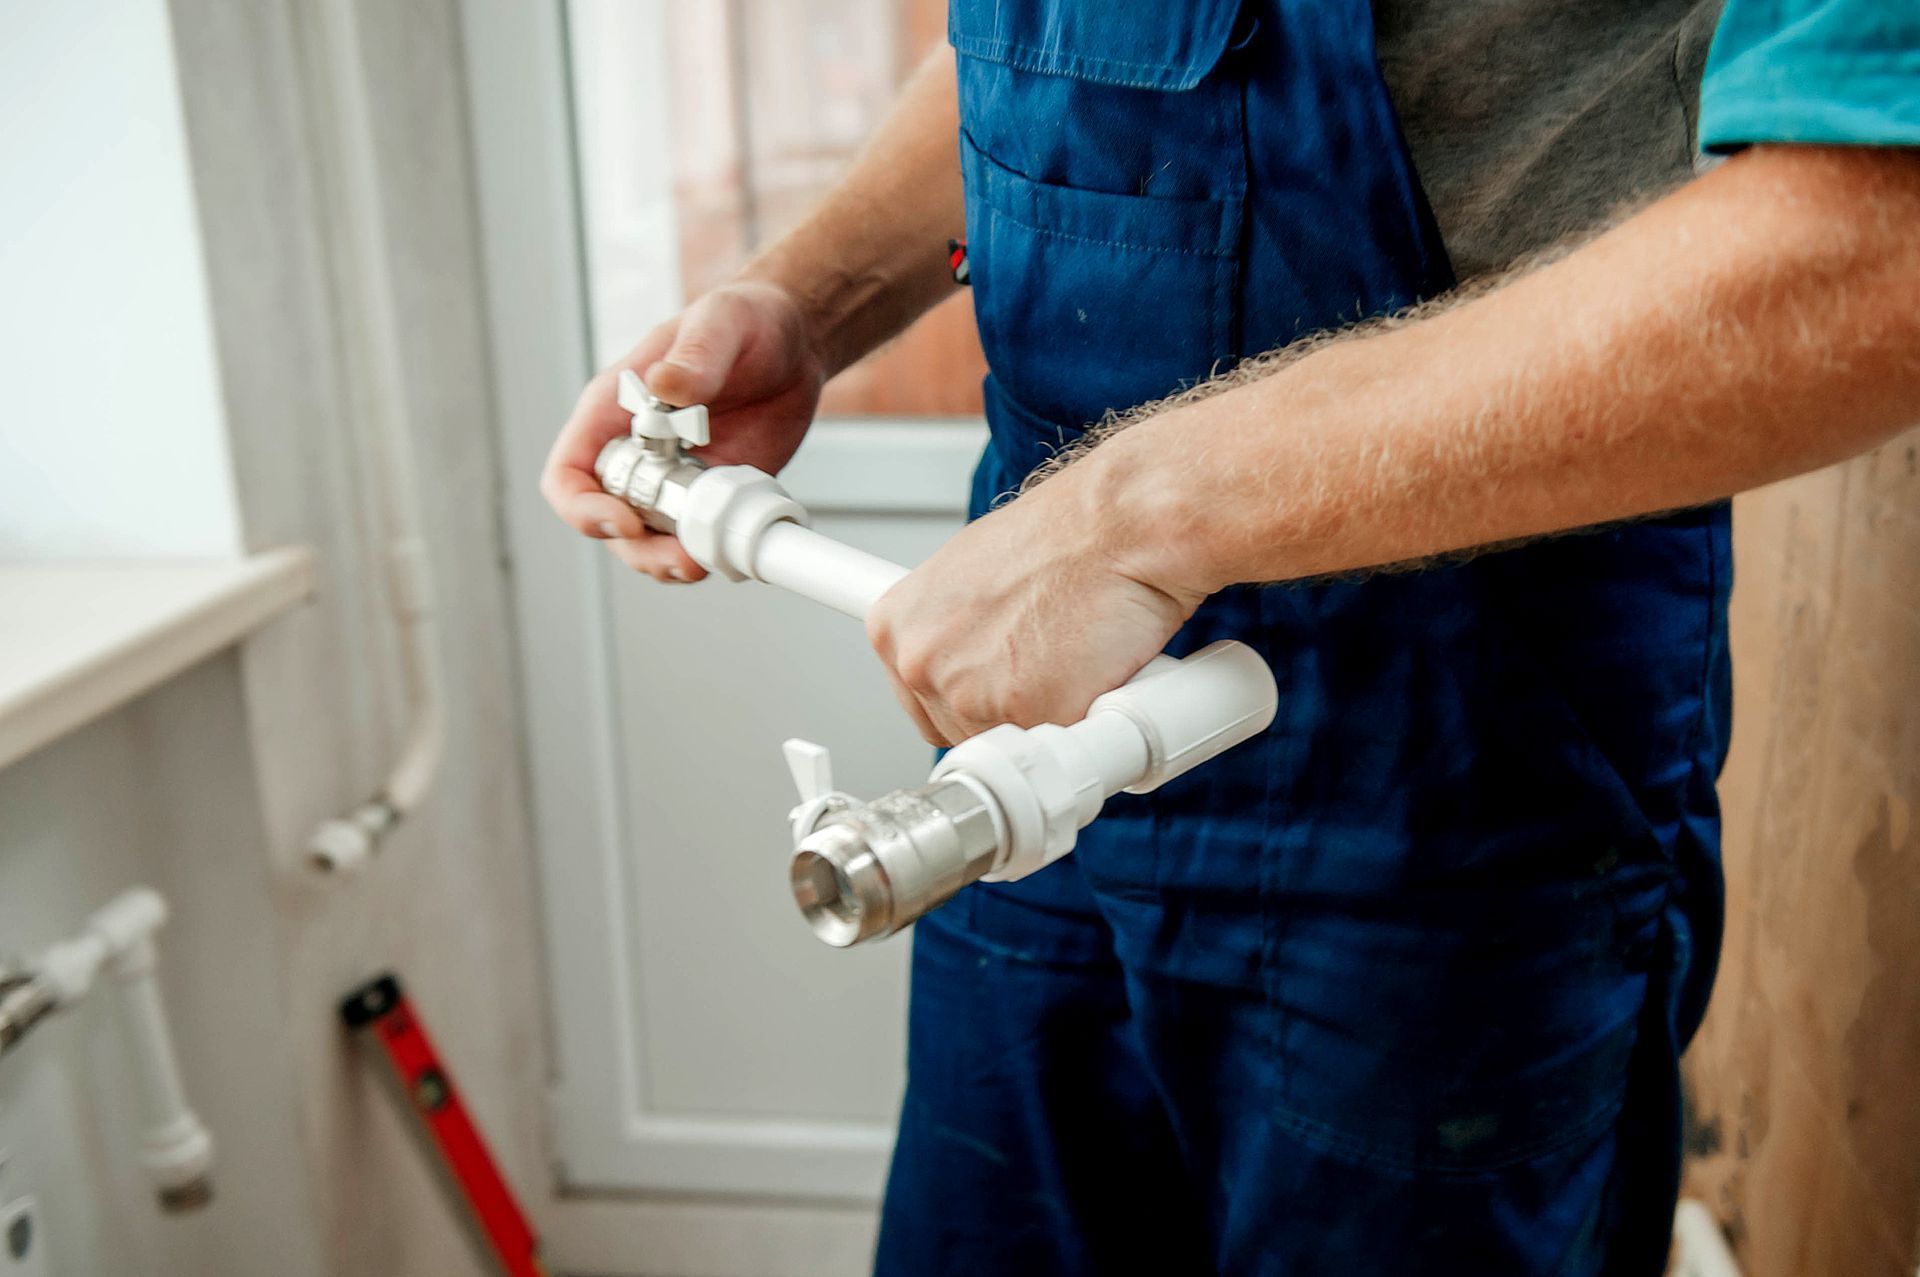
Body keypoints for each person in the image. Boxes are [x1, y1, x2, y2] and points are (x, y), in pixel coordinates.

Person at [544, 0, 1919, 1271]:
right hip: (1043, 733)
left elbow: (1876, 248)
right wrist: (810, 298)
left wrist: (1132, 521)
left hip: (1457, 762)